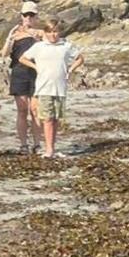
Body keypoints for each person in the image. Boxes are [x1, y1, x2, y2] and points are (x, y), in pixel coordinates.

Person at [19, 19, 84, 158]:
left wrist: (71, 69)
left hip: (60, 88)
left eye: (55, 31)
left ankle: (52, 148)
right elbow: (23, 58)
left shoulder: (66, 46)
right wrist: (35, 67)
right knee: (47, 119)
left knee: (55, 119)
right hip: (44, 88)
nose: (53, 35)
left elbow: (79, 58)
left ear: (59, 32)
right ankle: (48, 149)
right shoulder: (39, 46)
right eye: (50, 32)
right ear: (46, 33)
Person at [1, 1, 42, 154]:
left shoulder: (41, 33)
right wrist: (10, 39)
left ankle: (37, 144)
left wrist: (35, 37)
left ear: (36, 16)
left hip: (37, 73)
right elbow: (4, 54)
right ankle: (23, 144)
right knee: (22, 110)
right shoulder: (15, 33)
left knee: (36, 110)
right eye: (26, 15)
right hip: (19, 73)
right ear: (22, 16)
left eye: (32, 15)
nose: (28, 18)